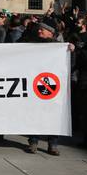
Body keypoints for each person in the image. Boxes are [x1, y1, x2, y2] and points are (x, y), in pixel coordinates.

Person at [24, 18, 61, 156]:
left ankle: (53, 143)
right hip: (35, 84)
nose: (39, 30)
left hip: (52, 85)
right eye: (39, 28)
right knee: (35, 113)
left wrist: (71, 50)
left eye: (42, 29)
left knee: (53, 114)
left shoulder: (59, 47)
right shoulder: (32, 44)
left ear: (51, 33)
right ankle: (33, 141)